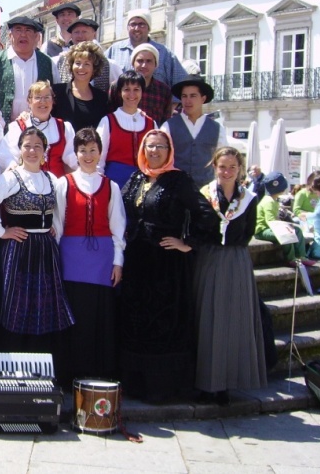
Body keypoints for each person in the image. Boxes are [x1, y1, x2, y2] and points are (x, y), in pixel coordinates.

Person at [118, 129, 216, 402]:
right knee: (136, 322)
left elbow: (206, 214)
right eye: (150, 146)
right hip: (137, 262)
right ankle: (135, 385)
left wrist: (187, 243)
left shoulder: (178, 180)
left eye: (160, 146)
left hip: (166, 266)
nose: (154, 151)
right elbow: (120, 209)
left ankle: (160, 389)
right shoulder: (137, 178)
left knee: (162, 324)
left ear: (169, 151)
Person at [0, 127, 74, 368]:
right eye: (27, 146)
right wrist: (1, 231)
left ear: (45, 151)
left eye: (37, 146)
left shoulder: (52, 179)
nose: (32, 151)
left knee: (43, 305)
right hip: (19, 249)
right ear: (19, 150)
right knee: (17, 305)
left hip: (45, 251)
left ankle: (41, 367)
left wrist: (53, 231)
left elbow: (60, 212)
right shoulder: (11, 177)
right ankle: (13, 366)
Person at [195, 147, 267, 406]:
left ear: (240, 170)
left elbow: (248, 232)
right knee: (207, 320)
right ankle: (206, 383)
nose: (226, 172)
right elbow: (197, 227)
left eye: (232, 167)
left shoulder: (248, 198)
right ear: (214, 167)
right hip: (209, 258)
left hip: (236, 261)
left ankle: (226, 383)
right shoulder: (204, 195)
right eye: (222, 167)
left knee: (233, 320)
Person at [55, 127, 125, 386]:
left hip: (102, 261)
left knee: (98, 316)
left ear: (100, 152)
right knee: (73, 314)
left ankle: (97, 373)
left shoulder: (111, 186)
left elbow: (118, 227)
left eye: (92, 150)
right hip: (71, 259)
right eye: (82, 150)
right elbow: (57, 225)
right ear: (75, 153)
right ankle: (70, 374)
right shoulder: (64, 184)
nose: (87, 155)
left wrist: (118, 261)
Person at [0, 16, 58, 123]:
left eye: (28, 30)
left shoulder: (47, 62)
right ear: (10, 35)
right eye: (18, 30)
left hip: (40, 127)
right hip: (2, 127)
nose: (23, 34)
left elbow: (57, 94)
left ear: (36, 36)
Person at [0, 81, 77, 179]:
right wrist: (13, 167)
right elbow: (6, 156)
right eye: (38, 97)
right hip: (27, 184)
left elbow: (73, 159)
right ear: (29, 101)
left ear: (53, 101)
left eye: (47, 97)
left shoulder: (64, 128)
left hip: (57, 185)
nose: (43, 101)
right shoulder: (18, 127)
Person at [162, 77, 228, 187]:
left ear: (203, 99)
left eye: (193, 96)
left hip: (206, 191)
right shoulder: (168, 126)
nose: (188, 101)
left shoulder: (217, 128)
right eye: (184, 96)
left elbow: (224, 160)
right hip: (175, 189)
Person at [97, 71, 155, 188]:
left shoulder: (151, 123)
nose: (131, 94)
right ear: (120, 92)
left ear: (142, 92)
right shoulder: (108, 121)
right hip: (114, 182)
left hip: (143, 183)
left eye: (136, 89)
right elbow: (99, 156)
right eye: (127, 89)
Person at [105, 9, 188, 89]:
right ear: (128, 27)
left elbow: (182, 84)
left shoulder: (165, 53)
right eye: (133, 24)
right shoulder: (114, 51)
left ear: (149, 28)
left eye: (141, 24)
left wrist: (171, 99)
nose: (137, 28)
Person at [254, 171, 312, 267]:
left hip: (269, 227)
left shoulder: (273, 200)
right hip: (262, 230)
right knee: (286, 234)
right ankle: (291, 258)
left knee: (297, 230)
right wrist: (285, 227)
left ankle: (302, 256)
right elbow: (270, 221)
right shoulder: (269, 202)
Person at [52, 41, 110, 133]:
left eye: (87, 64)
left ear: (94, 68)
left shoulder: (102, 98)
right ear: (71, 65)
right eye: (78, 63)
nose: (81, 68)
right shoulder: (56, 92)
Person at [54, 19, 120, 94]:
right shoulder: (59, 62)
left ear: (94, 34)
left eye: (84, 32)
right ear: (71, 36)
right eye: (76, 32)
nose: (80, 36)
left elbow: (118, 91)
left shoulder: (110, 65)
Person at [299, 173, 320, 260]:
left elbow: (317, 215)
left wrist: (306, 215)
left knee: (315, 252)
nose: (316, 194)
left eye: (316, 192)